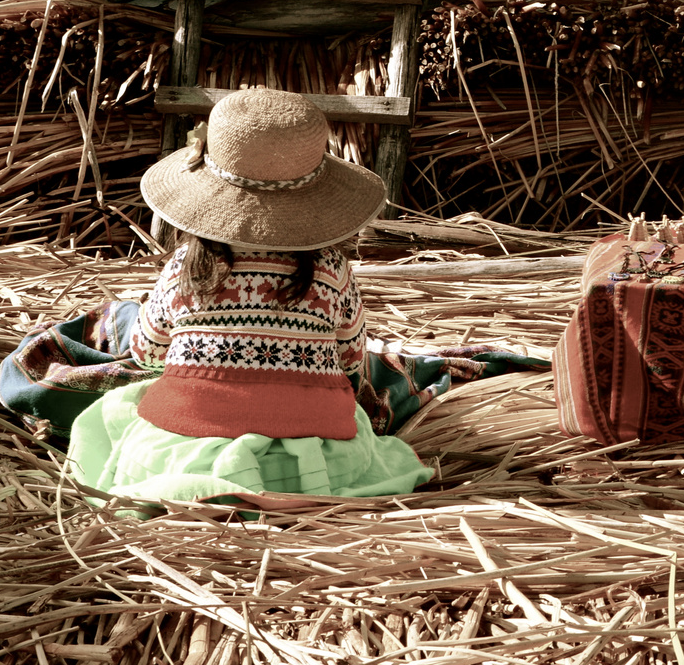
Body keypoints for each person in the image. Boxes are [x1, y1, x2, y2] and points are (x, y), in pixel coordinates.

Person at [63, 87, 432, 503]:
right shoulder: (332, 270)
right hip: (316, 463)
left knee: (112, 411)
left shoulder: (187, 266)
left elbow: (148, 352)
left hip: (185, 454)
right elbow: (350, 360)